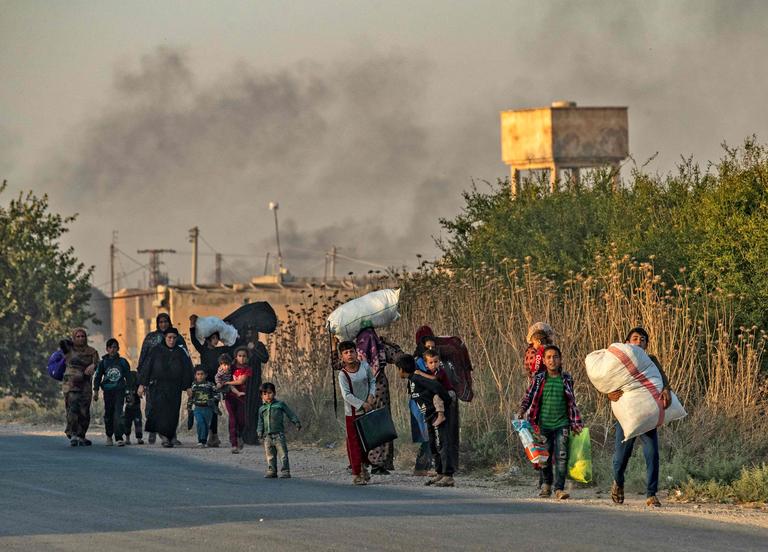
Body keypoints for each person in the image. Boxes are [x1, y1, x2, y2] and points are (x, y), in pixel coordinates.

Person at [609, 327, 672, 508]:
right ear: (627, 343)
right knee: (621, 458)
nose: (639, 341)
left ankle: (651, 494)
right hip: (626, 415)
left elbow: (663, 379)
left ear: (646, 345)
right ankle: (618, 483)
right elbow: (607, 380)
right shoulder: (620, 362)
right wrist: (609, 393)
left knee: (652, 454)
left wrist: (666, 390)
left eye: (643, 339)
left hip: (646, 415)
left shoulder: (651, 361)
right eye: (635, 338)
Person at [517, 345, 583, 499]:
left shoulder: (566, 379)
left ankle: (559, 489)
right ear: (544, 361)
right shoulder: (539, 379)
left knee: (562, 457)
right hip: (543, 426)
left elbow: (572, 403)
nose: (552, 360)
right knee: (544, 457)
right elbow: (529, 396)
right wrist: (522, 410)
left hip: (562, 424)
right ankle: (546, 484)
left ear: (560, 360)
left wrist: (576, 423)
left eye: (555, 357)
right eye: (548, 357)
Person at [397, 352, 456, 487]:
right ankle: (440, 472)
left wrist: (445, 404)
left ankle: (448, 475)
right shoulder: (412, 380)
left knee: (442, 444)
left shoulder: (418, 378)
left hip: (437, 415)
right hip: (428, 416)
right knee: (433, 445)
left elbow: (437, 387)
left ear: (401, 369)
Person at [353, 326, 405, 475]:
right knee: (381, 424)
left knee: (365, 425)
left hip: (361, 391)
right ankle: (380, 462)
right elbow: (400, 358)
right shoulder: (381, 347)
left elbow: (337, 364)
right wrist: (389, 343)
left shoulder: (354, 351)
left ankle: (364, 460)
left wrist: (335, 345)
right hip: (379, 389)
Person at [137, 313, 188, 445]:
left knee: (173, 409)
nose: (163, 324)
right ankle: (158, 433)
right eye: (161, 322)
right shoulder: (151, 338)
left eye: (166, 321)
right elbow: (145, 359)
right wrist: (142, 381)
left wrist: (188, 384)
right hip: (155, 381)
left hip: (174, 383)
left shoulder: (178, 339)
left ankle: (172, 435)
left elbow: (186, 361)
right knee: (155, 408)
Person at [189, 314, 240, 447]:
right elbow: (194, 340)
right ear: (208, 339)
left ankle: (214, 436)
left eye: (217, 338)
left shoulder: (221, 350)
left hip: (216, 384)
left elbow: (232, 346)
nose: (215, 340)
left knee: (214, 408)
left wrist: (231, 332)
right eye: (213, 338)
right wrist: (192, 325)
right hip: (205, 384)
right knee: (203, 407)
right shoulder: (203, 350)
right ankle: (206, 434)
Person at [337, 340, 376, 485]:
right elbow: (346, 395)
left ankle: (364, 467)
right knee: (354, 444)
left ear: (356, 352)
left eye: (351, 351)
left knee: (366, 442)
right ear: (342, 356)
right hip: (353, 413)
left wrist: (371, 395)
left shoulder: (364, 366)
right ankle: (357, 473)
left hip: (367, 410)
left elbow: (372, 381)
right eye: (346, 353)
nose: (349, 355)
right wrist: (362, 404)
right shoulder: (343, 375)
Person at [62, 328, 99, 447]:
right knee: (72, 409)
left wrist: (93, 365)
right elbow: (62, 343)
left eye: (83, 336)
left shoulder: (92, 351)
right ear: (74, 338)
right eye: (77, 336)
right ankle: (73, 434)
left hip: (85, 384)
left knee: (84, 411)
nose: (80, 338)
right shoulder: (69, 350)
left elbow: (99, 364)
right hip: (70, 384)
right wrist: (70, 342)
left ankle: (81, 435)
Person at [257, 382, 301, 478]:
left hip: (279, 435)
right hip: (267, 436)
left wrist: (296, 422)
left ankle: (285, 471)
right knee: (270, 455)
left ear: (274, 393)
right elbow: (260, 422)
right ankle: (272, 471)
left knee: (283, 454)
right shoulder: (262, 409)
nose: (267, 396)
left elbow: (290, 413)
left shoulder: (280, 405)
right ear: (261, 396)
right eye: (265, 394)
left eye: (270, 393)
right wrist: (259, 432)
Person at [93, 338, 130, 447]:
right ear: (107, 349)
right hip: (108, 391)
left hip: (119, 391)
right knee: (108, 414)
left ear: (118, 349)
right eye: (110, 347)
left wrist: (129, 392)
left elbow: (129, 377)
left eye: (114, 347)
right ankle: (109, 436)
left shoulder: (122, 362)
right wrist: (96, 391)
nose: (112, 350)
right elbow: (98, 377)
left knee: (118, 414)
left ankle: (119, 437)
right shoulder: (103, 362)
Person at [223, 349, 251, 453]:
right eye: (239, 355)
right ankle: (234, 444)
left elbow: (241, 381)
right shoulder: (230, 367)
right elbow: (222, 373)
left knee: (241, 421)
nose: (242, 358)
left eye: (244, 356)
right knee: (233, 420)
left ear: (247, 358)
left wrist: (227, 383)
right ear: (236, 357)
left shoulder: (248, 369)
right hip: (230, 397)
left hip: (242, 397)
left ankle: (239, 436)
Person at [188, 367, 217, 447]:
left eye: (202, 374)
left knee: (206, 425)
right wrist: (189, 406)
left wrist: (212, 400)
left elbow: (217, 394)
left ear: (206, 375)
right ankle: (200, 440)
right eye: (198, 374)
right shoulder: (193, 385)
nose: (200, 376)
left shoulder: (210, 384)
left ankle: (203, 441)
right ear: (195, 376)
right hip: (197, 408)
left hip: (208, 408)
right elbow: (191, 397)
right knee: (200, 423)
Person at [123, 367, 144, 445]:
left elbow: (141, 394)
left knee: (138, 423)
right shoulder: (125, 386)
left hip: (136, 408)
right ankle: (127, 439)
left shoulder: (138, 387)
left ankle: (139, 439)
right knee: (127, 424)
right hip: (128, 408)